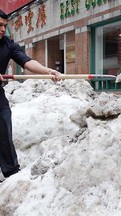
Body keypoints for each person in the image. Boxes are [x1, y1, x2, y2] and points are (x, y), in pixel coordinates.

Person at [0, 9, 60, 179]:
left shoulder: (8, 45)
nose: (3, 29)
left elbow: (27, 62)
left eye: (5, 26)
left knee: (4, 129)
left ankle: (12, 174)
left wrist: (48, 71)